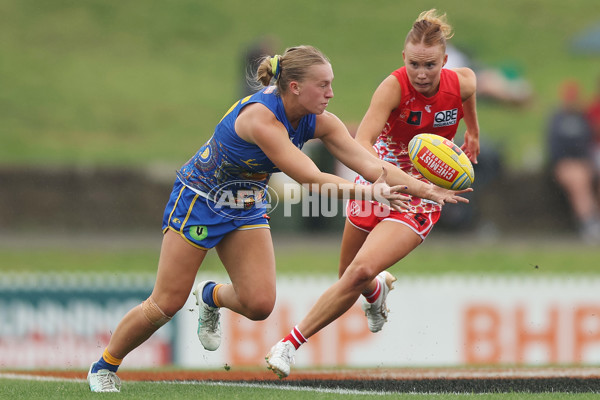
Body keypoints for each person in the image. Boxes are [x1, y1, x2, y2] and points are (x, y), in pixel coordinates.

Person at [86, 45, 472, 392]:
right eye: (323, 85)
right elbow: (311, 179)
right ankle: (105, 366)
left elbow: (370, 164)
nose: (331, 93)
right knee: (165, 303)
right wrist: (371, 192)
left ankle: (210, 296)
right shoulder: (261, 120)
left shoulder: (321, 120)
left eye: (331, 84)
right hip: (199, 200)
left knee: (259, 304)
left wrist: (424, 189)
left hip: (245, 203)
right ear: (294, 88)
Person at [265, 10, 480, 378]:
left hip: (424, 195)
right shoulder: (393, 87)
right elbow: (361, 142)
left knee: (358, 270)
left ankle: (288, 345)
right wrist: (378, 181)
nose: (422, 73)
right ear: (404, 59)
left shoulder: (462, 83)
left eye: (430, 65)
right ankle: (377, 290)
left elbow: (469, 97)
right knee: (351, 275)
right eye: (414, 64)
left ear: (444, 62)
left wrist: (472, 132)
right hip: (379, 183)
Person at [548, 79, 600, 242]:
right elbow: (553, 147)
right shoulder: (557, 120)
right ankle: (588, 222)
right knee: (578, 180)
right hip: (565, 163)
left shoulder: (583, 119)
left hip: (584, 162)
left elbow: (588, 143)